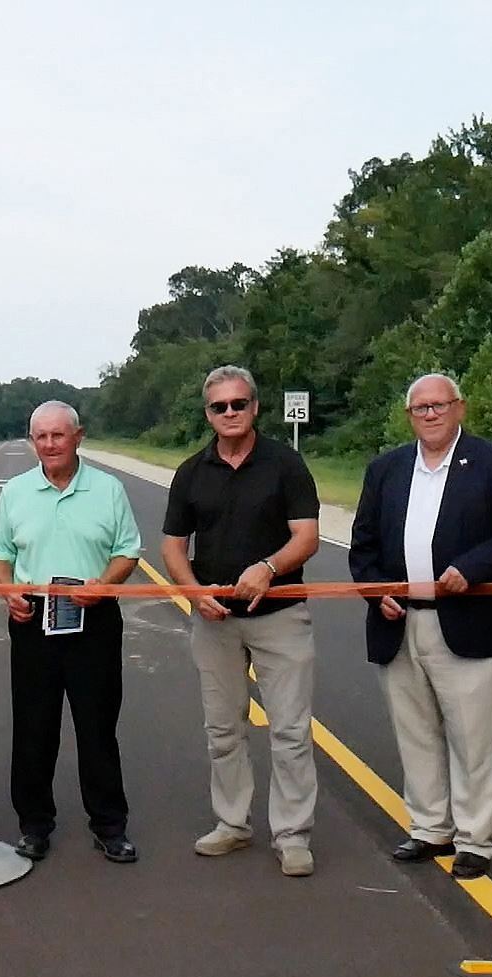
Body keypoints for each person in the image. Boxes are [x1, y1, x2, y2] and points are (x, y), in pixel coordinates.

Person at [347, 374, 492, 880]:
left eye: (439, 406)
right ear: (409, 415)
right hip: (399, 623)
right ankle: (430, 828)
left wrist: (472, 568)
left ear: (460, 409)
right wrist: (375, 590)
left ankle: (475, 839)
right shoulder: (386, 469)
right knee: (416, 733)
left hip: (467, 621)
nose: (430, 415)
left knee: (472, 738)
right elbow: (362, 545)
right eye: (420, 408)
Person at [161, 365, 321, 878]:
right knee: (223, 728)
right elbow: (172, 544)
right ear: (207, 413)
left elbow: (308, 536)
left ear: (255, 407)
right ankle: (232, 823)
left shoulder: (285, 463)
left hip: (280, 616)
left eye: (238, 404)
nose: (229, 413)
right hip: (215, 620)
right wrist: (192, 592)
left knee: (291, 730)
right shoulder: (191, 471)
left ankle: (293, 834)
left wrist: (269, 568)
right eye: (219, 407)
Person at [0, 400, 142, 864]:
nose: (50, 444)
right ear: (32, 440)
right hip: (33, 620)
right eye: (41, 436)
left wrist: (105, 585)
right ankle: (34, 825)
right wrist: (7, 591)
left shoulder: (108, 490)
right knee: (34, 728)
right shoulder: (15, 492)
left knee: (97, 727)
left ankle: (110, 827)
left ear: (79, 436)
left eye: (59, 435)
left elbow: (128, 550)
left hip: (93, 617)